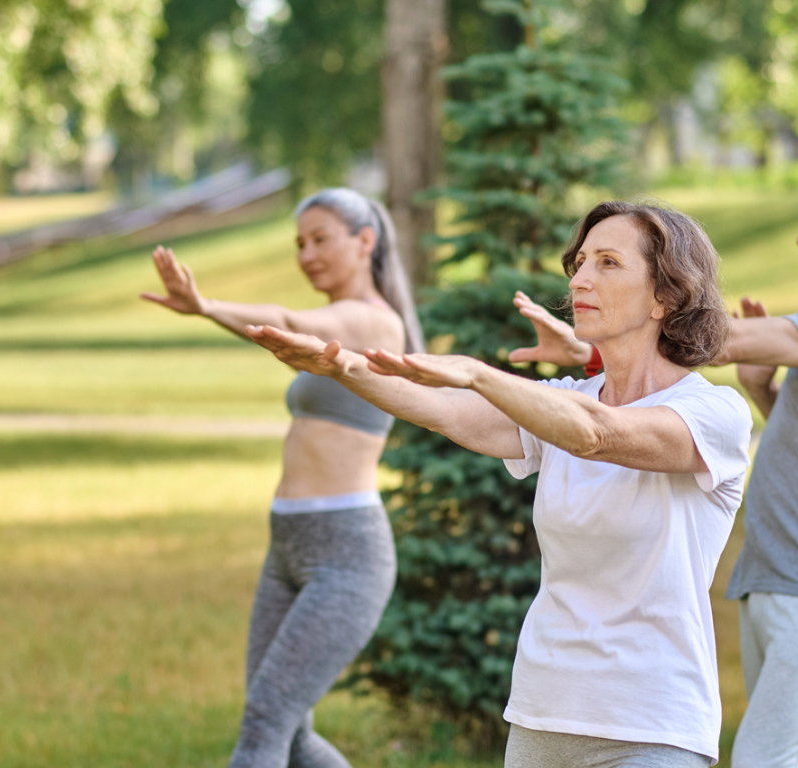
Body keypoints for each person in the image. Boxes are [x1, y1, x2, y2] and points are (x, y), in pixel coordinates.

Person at [249, 201, 753, 767]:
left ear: (666, 296)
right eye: (581, 261)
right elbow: (447, 410)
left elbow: (596, 435)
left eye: (608, 263)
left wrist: (478, 373)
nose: (580, 278)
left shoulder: (712, 414)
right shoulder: (565, 403)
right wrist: (345, 369)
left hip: (651, 723)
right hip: (542, 714)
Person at [510, 149, 798, 767]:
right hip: (781, 570)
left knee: (772, 758)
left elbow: (708, 336)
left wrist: (594, 341)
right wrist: (762, 389)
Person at [141, 188, 423, 768]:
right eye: (299, 243)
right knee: (288, 734)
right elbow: (294, 327)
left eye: (321, 239)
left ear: (364, 241)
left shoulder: (373, 322)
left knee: (265, 725)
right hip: (289, 545)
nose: (307, 254)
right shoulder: (338, 318)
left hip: (347, 552)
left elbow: (290, 321)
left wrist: (207, 306)